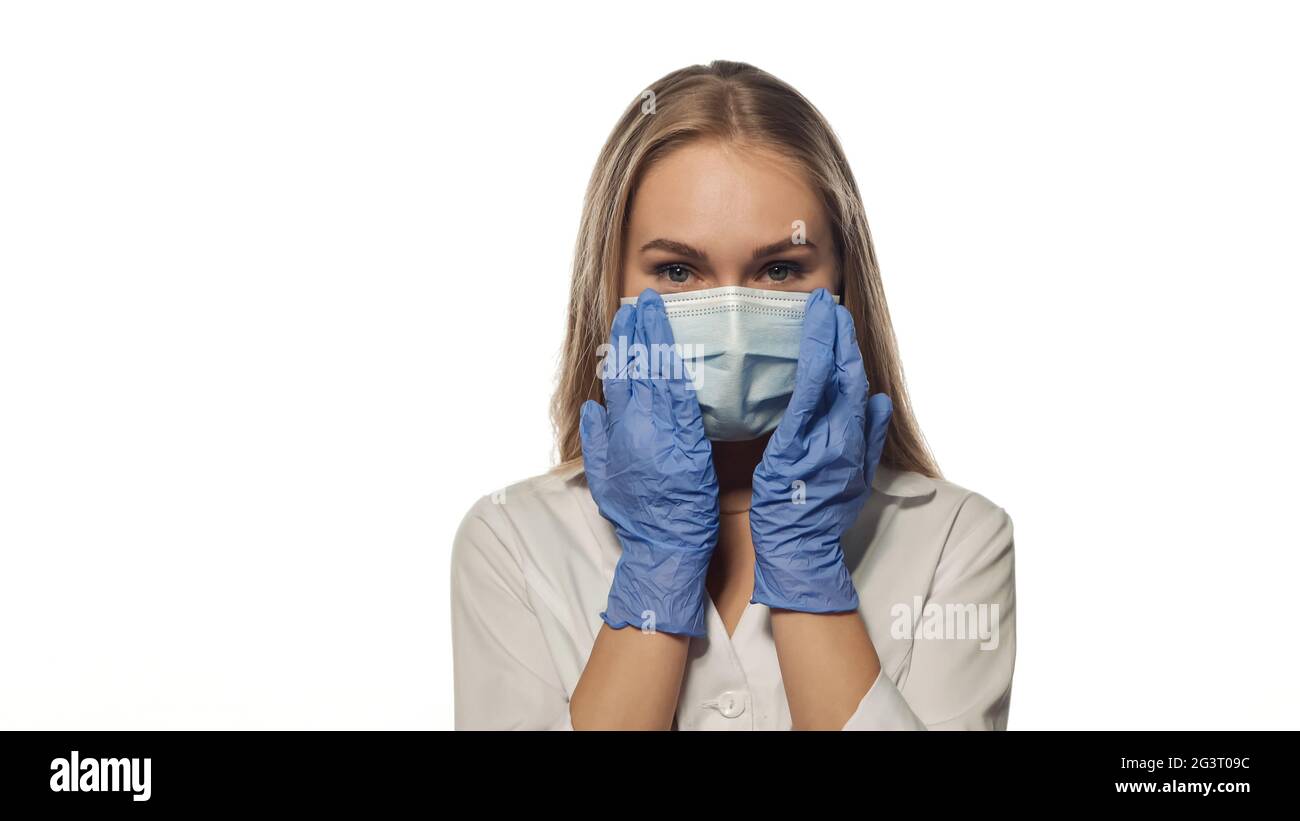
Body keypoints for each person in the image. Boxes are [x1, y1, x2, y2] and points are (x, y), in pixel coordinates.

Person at [451, 60, 1016, 730]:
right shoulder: (512, 540)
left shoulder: (957, 538)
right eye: (679, 270)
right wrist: (659, 561)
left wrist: (807, 563)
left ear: (842, 286)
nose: (734, 321)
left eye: (779, 268)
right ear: (612, 289)